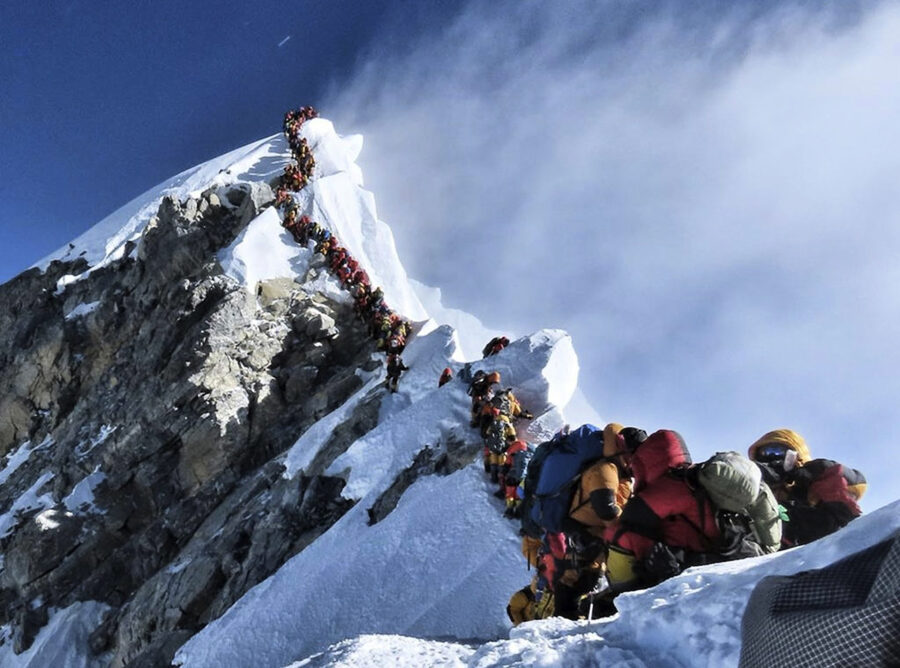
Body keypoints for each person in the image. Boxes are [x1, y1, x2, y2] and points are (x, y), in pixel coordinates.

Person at [748, 429, 866, 546]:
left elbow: (849, 516)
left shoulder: (812, 490)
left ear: (796, 456)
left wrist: (822, 471)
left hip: (819, 554)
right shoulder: (751, 494)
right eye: (764, 453)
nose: (771, 458)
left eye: (778, 451)